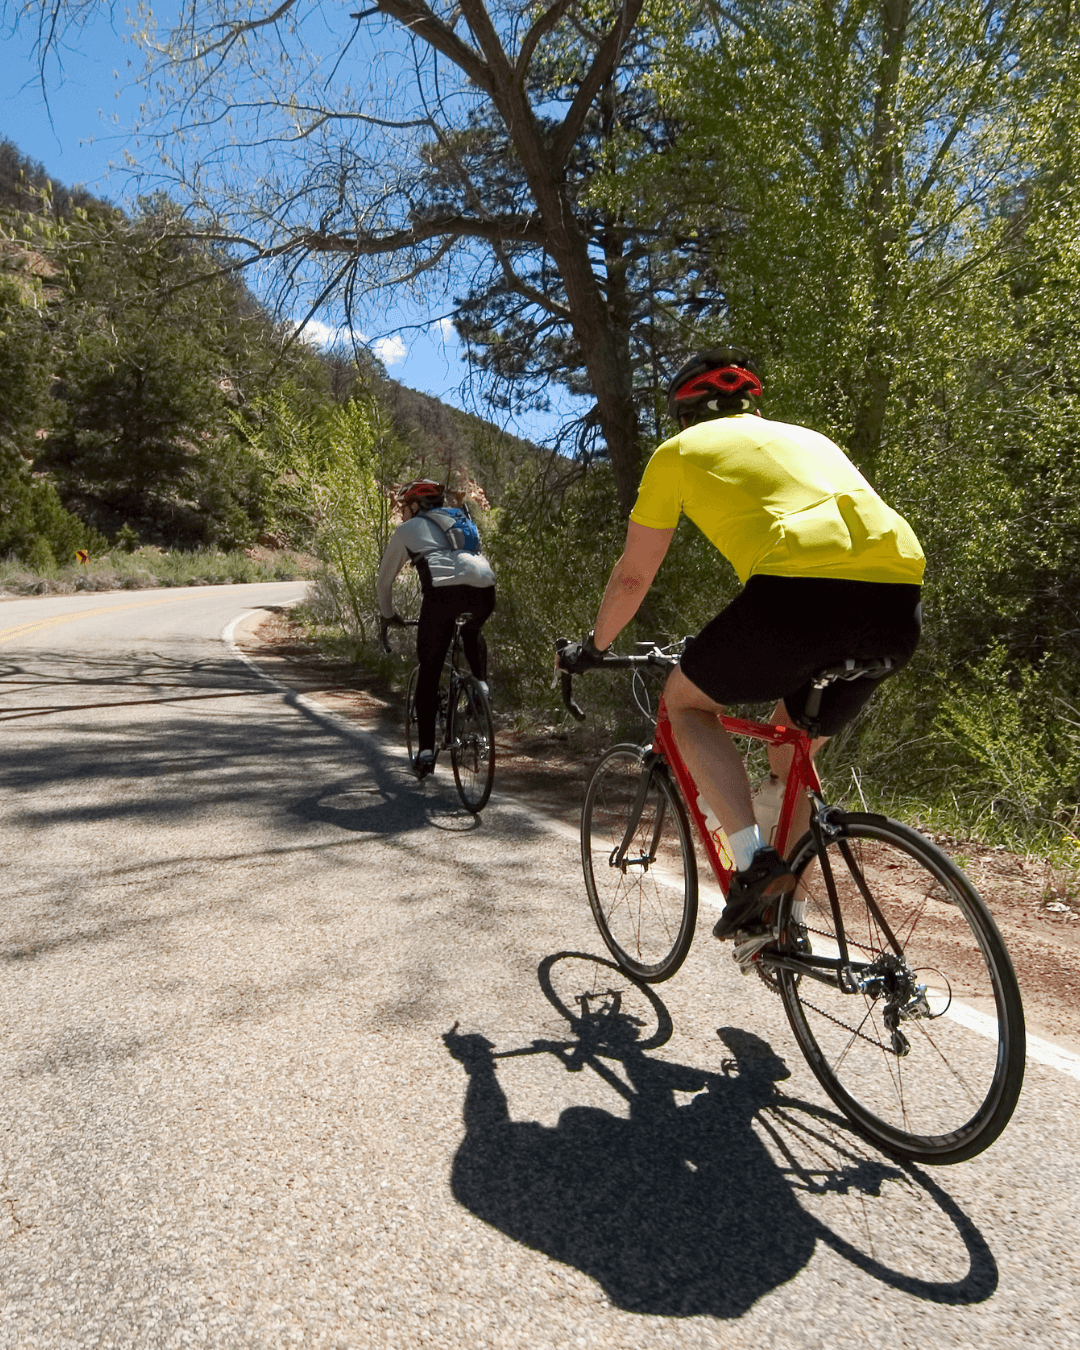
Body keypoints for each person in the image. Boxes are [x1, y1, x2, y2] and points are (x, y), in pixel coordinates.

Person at [558, 348, 924, 944]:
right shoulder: (813, 441)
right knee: (791, 753)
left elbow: (634, 572)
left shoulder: (677, 452)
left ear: (684, 415)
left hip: (798, 594)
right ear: (749, 406)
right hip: (898, 606)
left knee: (686, 706)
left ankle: (754, 866)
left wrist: (595, 646)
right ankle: (788, 925)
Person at [377, 479, 496, 779]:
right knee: (471, 630)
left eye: (404, 507)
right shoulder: (460, 519)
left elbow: (384, 582)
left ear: (415, 506)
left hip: (443, 596)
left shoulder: (407, 530)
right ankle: (481, 685)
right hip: (485, 592)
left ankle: (427, 753)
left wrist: (388, 615)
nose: (402, 513)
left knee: (429, 673)